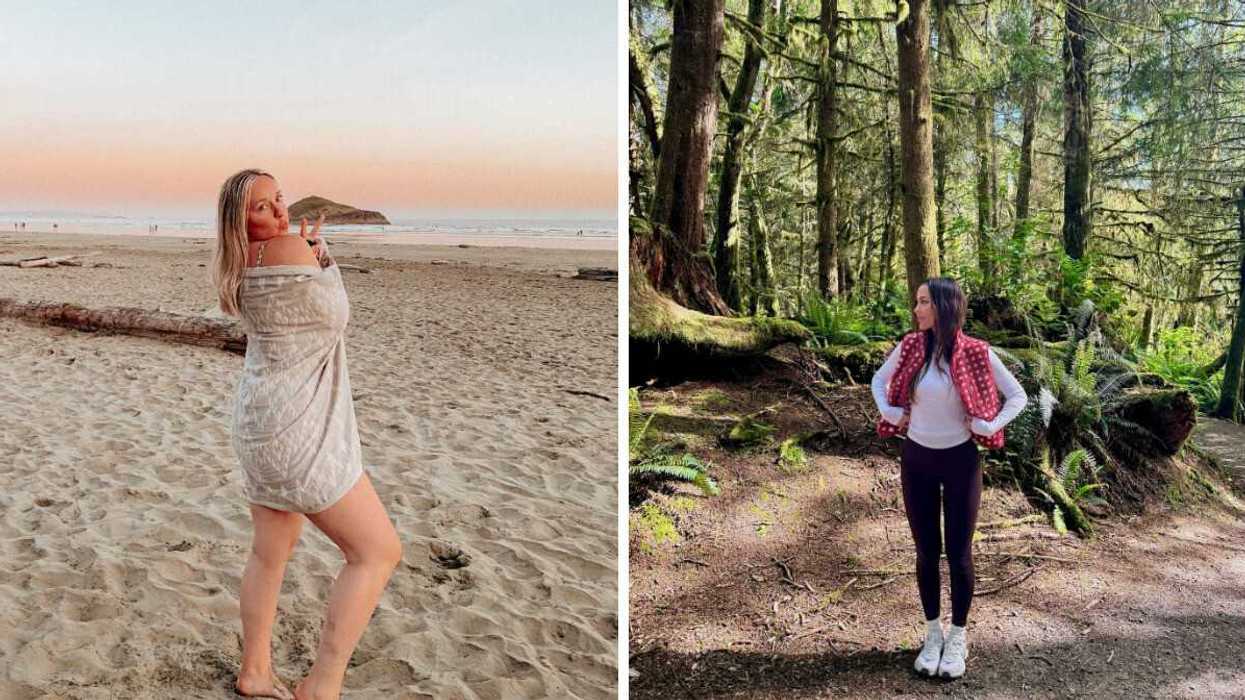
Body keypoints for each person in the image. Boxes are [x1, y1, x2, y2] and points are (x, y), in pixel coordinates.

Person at [212, 168, 402, 699]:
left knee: (269, 553)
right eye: (262, 207)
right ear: (239, 220)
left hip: (259, 421)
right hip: (298, 426)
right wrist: (322, 256)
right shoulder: (291, 248)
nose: (279, 212)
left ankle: (255, 672)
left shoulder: (237, 267)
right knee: (377, 552)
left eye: (279, 199)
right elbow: (336, 315)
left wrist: (313, 255)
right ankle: (322, 684)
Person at [870, 277, 1027, 680]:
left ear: (943, 306)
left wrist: (990, 423)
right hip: (917, 460)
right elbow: (878, 381)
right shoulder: (910, 346)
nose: (917, 309)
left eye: (923, 302)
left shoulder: (976, 351)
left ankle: (958, 636)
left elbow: (1018, 396)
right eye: (917, 302)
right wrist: (889, 412)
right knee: (926, 552)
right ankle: (932, 634)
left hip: (961, 462)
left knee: (958, 554)